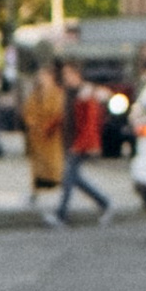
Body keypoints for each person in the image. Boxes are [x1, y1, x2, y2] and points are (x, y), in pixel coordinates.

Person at [54, 70, 113, 226]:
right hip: (73, 141)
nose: (66, 78)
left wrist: (81, 144)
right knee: (74, 179)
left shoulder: (86, 96)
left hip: (80, 144)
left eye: (69, 75)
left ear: (77, 76)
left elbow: (89, 125)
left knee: (69, 178)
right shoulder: (71, 94)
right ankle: (104, 203)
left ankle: (61, 215)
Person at [21, 56, 70, 215]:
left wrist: (47, 127)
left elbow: (58, 113)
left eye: (44, 76)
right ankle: (35, 193)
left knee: (55, 167)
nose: (41, 78)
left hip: (50, 137)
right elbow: (28, 111)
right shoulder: (36, 94)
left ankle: (62, 194)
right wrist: (33, 124)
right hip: (38, 137)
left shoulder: (57, 93)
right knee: (38, 168)